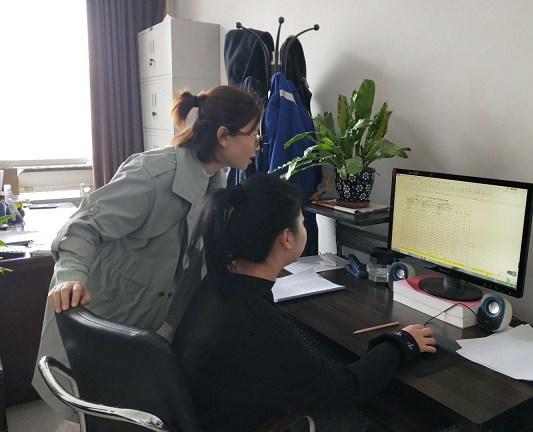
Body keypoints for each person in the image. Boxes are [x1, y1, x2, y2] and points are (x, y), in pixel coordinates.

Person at [32, 85, 264, 422]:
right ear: (224, 136)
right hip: (105, 319)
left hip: (144, 327)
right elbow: (83, 226)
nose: (258, 144)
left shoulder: (217, 184)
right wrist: (70, 277)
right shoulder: (153, 175)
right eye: (253, 134)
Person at [172, 173, 437, 432]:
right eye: (302, 220)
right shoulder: (257, 322)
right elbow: (347, 390)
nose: (304, 227)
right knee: (374, 416)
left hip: (214, 410)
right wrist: (400, 343)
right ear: (286, 238)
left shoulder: (220, 282)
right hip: (250, 420)